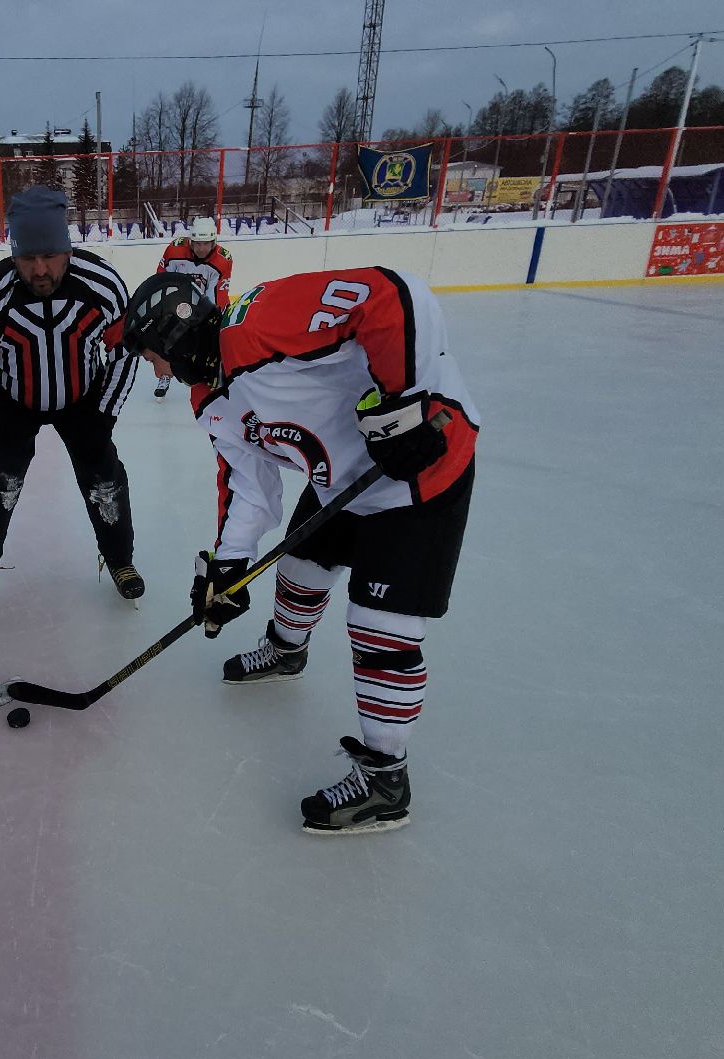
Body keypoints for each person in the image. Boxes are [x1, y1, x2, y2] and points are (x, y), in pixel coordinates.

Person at [122, 267, 479, 835]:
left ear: (172, 337)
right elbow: (248, 484)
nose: (154, 369)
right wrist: (228, 567)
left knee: (378, 627)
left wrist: (408, 398)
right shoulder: (209, 397)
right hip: (341, 480)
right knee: (300, 568)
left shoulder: (259, 324)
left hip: (423, 471)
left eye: (150, 355)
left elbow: (389, 292)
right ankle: (285, 650)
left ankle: (387, 779)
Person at [0, 185, 145, 623]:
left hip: (83, 398)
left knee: (104, 479)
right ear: (13, 253)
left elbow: (124, 352)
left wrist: (106, 413)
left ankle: (119, 558)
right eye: (26, 258)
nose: (39, 269)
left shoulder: (103, 285)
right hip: (15, 399)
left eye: (50, 255)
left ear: (67, 248)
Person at [150, 216, 233, 399]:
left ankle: (215, 375)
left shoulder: (222, 260)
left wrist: (209, 320)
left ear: (214, 242)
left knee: (213, 342)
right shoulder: (174, 250)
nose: (201, 248)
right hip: (177, 304)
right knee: (167, 339)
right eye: (197, 243)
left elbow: (218, 295)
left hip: (204, 305)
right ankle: (165, 375)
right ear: (190, 241)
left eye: (206, 244)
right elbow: (161, 280)